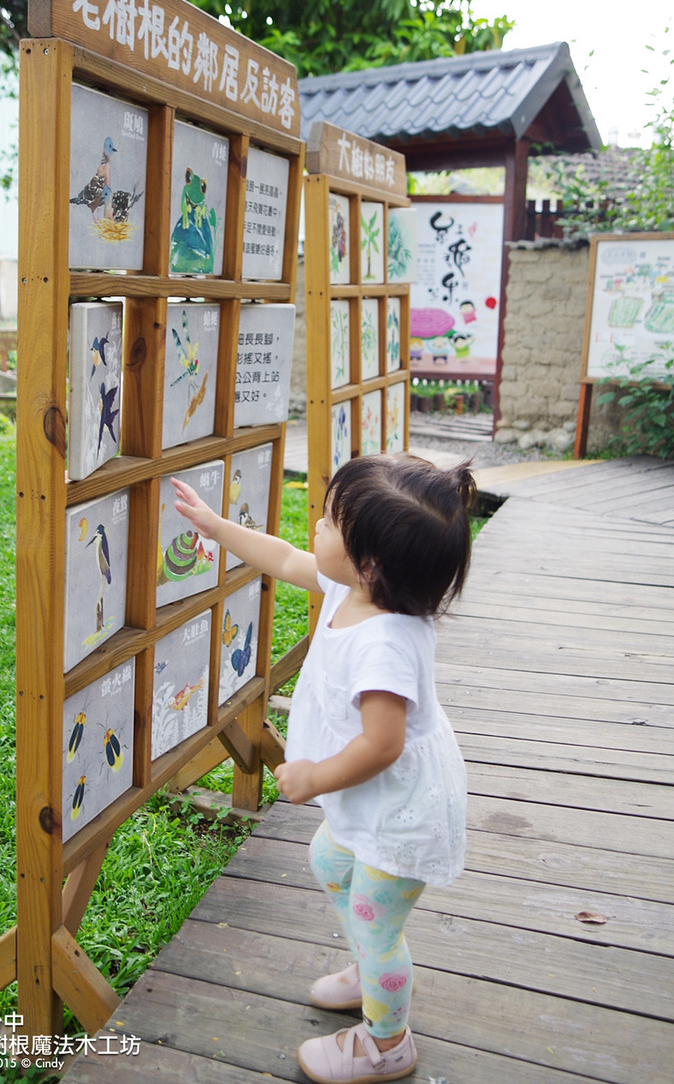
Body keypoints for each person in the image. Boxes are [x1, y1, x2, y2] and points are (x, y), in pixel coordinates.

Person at [171, 453, 477, 1084]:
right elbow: (283, 557)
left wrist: (311, 777)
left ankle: (386, 1042)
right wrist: (214, 526)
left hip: (401, 808)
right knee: (331, 861)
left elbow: (382, 746)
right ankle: (370, 970)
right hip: (378, 798)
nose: (316, 523)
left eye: (331, 520)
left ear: (370, 563)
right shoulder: (353, 586)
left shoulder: (386, 641)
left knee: (377, 921)